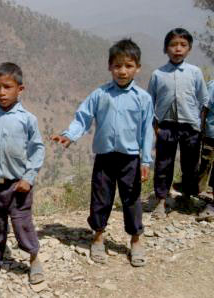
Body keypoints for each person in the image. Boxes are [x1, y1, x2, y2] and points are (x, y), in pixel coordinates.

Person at [52, 39, 154, 267]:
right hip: (105, 157)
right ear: (110, 67)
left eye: (128, 65)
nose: (122, 71)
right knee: (100, 198)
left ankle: (136, 240)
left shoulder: (143, 98)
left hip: (130, 158)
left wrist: (146, 160)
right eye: (117, 66)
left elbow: (147, 131)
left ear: (138, 67)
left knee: (132, 199)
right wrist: (69, 134)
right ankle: (98, 237)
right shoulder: (100, 94)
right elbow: (83, 116)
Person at [0, 62, 45, 284]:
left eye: (7, 87)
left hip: (19, 185)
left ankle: (33, 259)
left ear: (20, 89)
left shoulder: (27, 119)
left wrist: (29, 177)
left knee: (22, 223)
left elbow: (37, 149)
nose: (1, 93)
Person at [149, 28, 210, 218]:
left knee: (190, 164)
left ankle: (187, 196)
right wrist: (155, 126)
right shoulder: (158, 74)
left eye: (183, 45)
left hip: (190, 127)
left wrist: (200, 125)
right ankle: (161, 200)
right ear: (166, 49)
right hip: (166, 126)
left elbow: (204, 100)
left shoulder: (195, 73)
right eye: (173, 45)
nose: (178, 49)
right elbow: (150, 102)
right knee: (163, 164)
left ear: (189, 49)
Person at [197, 80, 214, 221]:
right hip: (211, 133)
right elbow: (205, 109)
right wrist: (201, 129)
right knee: (206, 162)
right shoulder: (213, 85)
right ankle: (201, 191)